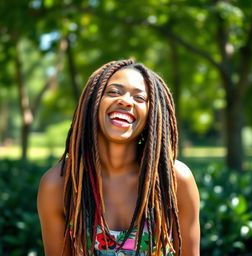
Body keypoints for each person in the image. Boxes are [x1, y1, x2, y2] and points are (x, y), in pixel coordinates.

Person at [37, 59, 200, 256]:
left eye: (140, 98)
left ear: (152, 114)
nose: (126, 101)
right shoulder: (59, 184)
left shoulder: (175, 180)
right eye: (114, 92)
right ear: (92, 102)